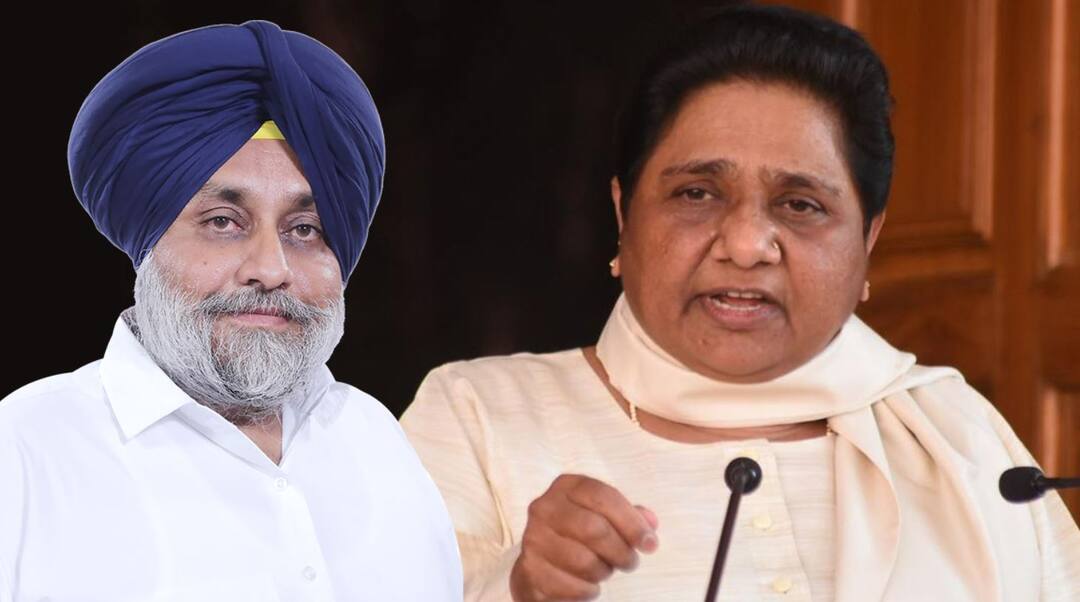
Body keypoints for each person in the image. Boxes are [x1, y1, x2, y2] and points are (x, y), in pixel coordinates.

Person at [401, 5, 1079, 601]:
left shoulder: (959, 435)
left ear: (868, 240)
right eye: (697, 193)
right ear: (624, 213)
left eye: (801, 204)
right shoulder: (479, 416)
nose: (748, 245)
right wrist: (518, 586)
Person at [0, 21, 461, 602]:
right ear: (147, 246)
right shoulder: (25, 451)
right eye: (223, 222)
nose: (270, 268)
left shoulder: (375, 440)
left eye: (305, 229)